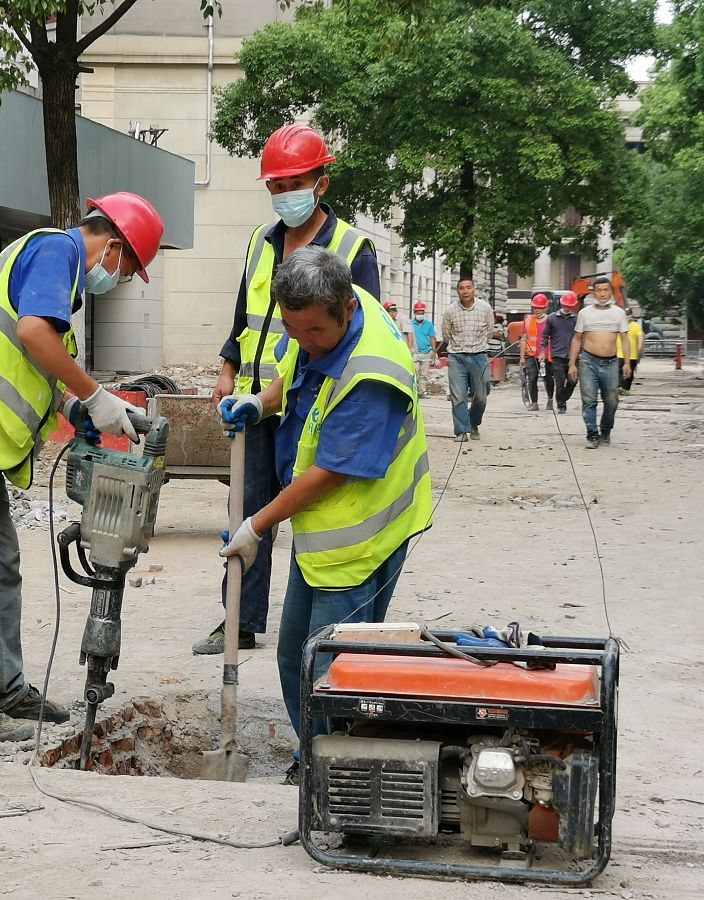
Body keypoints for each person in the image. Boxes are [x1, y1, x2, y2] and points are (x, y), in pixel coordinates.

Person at [0, 192, 164, 741]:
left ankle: (6, 687)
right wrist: (95, 395)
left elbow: (32, 368)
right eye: (128, 271)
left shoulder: (59, 289)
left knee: (1, 562)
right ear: (113, 245)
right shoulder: (56, 251)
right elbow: (31, 337)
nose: (120, 281)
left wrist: (78, 407)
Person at [216, 246, 431, 782]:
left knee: (334, 669)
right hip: (324, 535)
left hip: (363, 536)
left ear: (347, 312)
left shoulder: (372, 375)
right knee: (295, 656)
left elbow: (332, 471)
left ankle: (338, 772)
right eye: (293, 328)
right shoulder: (317, 312)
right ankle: (313, 752)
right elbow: (294, 371)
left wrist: (256, 526)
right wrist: (260, 403)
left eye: (314, 332)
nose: (302, 341)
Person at [199, 124, 379, 656]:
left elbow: (360, 332)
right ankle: (239, 620)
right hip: (257, 402)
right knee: (246, 511)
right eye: (275, 186)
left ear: (321, 182)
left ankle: (314, 620)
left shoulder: (352, 247)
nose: (284, 195)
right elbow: (243, 315)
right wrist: (229, 368)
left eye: (295, 182)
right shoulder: (262, 240)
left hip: (310, 400)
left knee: (309, 504)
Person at [570, 276, 630, 449]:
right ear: (593, 293)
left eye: (605, 290)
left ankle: (606, 430)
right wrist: (572, 363)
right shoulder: (584, 313)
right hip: (588, 361)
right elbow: (576, 339)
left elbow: (625, 340)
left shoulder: (619, 313)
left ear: (611, 292)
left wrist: (626, 363)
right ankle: (592, 434)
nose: (602, 294)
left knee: (612, 400)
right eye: (599, 290)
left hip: (611, 363)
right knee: (589, 400)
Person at [440, 276, 498, 442]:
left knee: (481, 396)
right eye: (461, 288)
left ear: (474, 289)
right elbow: (446, 335)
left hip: (479, 356)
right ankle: (461, 431)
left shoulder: (485, 309)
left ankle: (473, 422)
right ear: (457, 291)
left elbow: (489, 331)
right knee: (458, 396)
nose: (465, 291)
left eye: (468, 287)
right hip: (456, 358)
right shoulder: (450, 311)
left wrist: (477, 346)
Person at [542, 291, 580, 412]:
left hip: (572, 356)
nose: (567, 307)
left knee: (573, 381)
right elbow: (544, 335)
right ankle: (561, 405)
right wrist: (543, 351)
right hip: (557, 355)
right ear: (561, 304)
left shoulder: (576, 320)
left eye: (570, 305)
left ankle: (562, 398)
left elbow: (580, 337)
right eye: (565, 305)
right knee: (559, 382)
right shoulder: (551, 318)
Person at [520, 294, 554, 410]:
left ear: (545, 308)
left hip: (546, 356)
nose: (537, 310)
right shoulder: (528, 321)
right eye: (535, 307)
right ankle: (534, 403)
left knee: (548, 379)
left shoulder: (551, 321)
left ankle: (550, 400)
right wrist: (522, 357)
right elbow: (524, 340)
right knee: (532, 378)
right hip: (531, 355)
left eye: (539, 308)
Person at [411, 302, 438, 396]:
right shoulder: (410, 324)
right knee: (414, 373)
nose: (420, 315)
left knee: (424, 374)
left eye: (421, 313)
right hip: (414, 353)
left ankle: (421, 392)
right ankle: (413, 391)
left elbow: (432, 337)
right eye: (418, 313)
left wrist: (434, 351)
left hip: (426, 352)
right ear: (414, 312)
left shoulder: (429, 325)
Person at [617, 310, 644, 394]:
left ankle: (626, 388)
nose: (628, 317)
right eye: (626, 315)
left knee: (630, 372)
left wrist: (640, 348)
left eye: (629, 315)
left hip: (632, 354)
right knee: (618, 371)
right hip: (619, 353)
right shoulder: (618, 326)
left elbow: (640, 337)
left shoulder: (636, 326)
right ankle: (620, 386)